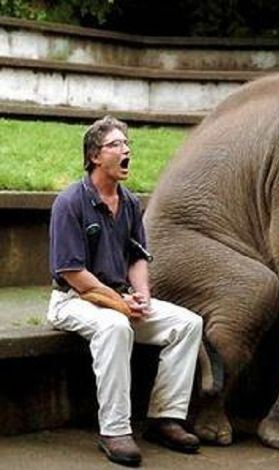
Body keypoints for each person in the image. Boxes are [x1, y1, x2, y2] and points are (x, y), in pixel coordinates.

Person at [47, 115, 203, 467]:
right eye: (116, 144)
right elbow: (73, 274)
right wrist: (120, 304)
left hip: (118, 298)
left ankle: (166, 418)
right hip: (74, 301)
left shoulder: (130, 202)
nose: (126, 149)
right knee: (115, 327)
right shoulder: (70, 202)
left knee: (188, 324)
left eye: (127, 143)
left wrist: (142, 295)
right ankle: (115, 430)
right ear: (94, 157)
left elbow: (137, 256)